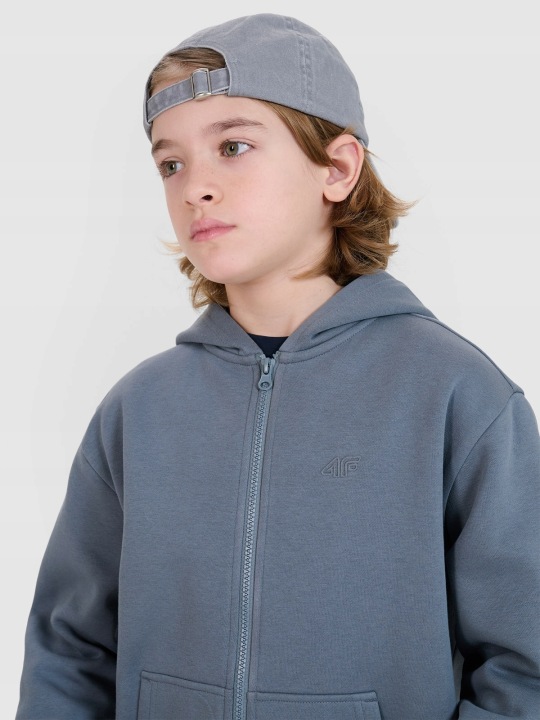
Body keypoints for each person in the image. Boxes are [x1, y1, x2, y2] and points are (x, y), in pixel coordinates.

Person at [16, 13, 540, 720]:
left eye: (233, 146)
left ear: (338, 168)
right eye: (171, 164)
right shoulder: (137, 411)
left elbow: (524, 670)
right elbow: (68, 652)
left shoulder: (456, 396)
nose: (195, 187)